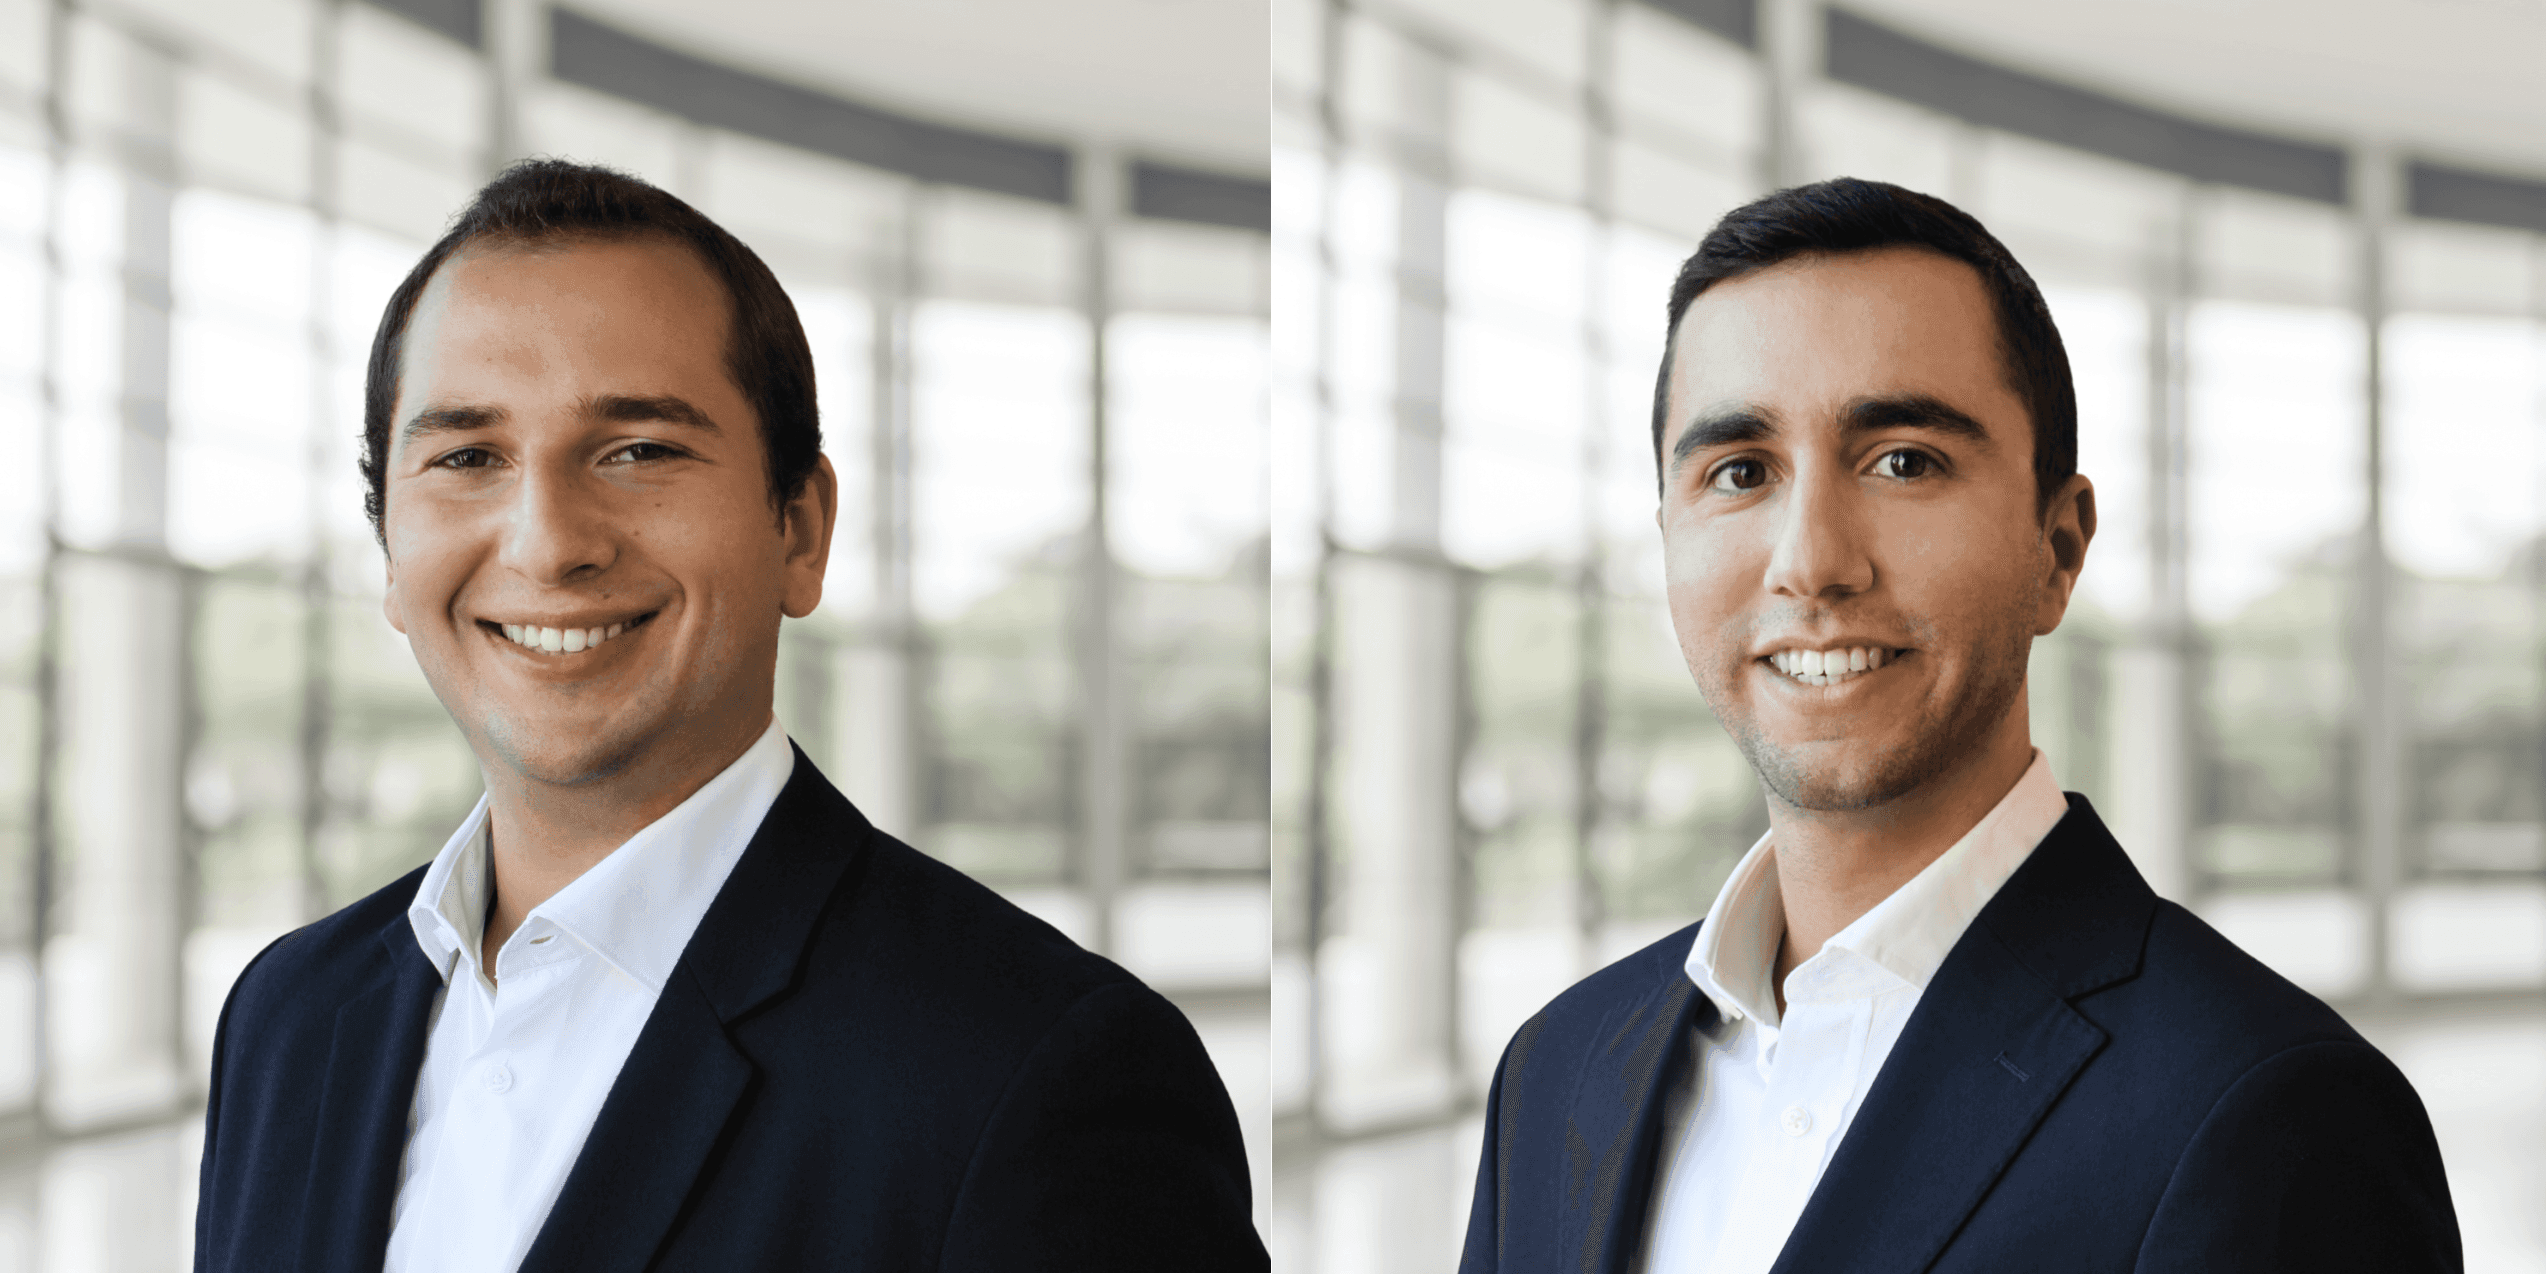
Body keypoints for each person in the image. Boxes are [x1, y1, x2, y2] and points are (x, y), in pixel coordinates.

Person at [194, 159, 1268, 1273]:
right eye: (467, 457)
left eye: (640, 451)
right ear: (387, 548)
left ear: (799, 529)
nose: (547, 542)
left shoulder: (1040, 1074)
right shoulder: (289, 1017)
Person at [1457, 178, 2459, 1274]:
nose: (1810, 562)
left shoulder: (2270, 1113)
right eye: (1739, 473)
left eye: (1903, 461)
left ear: (2056, 548)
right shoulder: (1553, 1071)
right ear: (1667, 538)